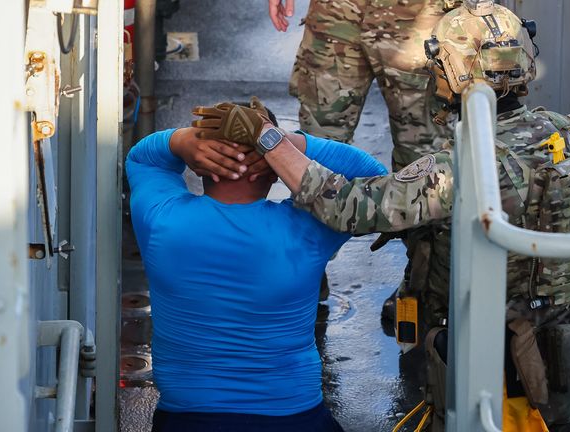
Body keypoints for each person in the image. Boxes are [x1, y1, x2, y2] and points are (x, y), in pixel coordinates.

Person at [189, 3, 570, 430]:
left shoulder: (465, 165)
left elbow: (348, 206)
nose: (432, 72)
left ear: (457, 71)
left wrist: (268, 139)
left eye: (439, 61)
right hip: (558, 344)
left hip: (493, 361)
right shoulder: (560, 132)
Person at [125, 99, 387, 432]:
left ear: (199, 164)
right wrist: (283, 145)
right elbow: (372, 179)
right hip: (295, 418)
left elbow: (143, 158)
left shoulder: (162, 221)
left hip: (186, 419)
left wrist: (180, 141)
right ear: (272, 169)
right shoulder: (308, 229)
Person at [267, 0, 457, 314]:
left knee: (425, 161)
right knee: (315, 149)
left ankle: (424, 291)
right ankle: (306, 282)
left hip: (418, 15)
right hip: (337, 11)